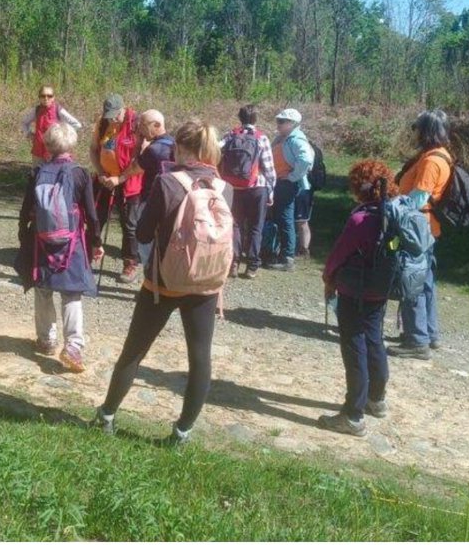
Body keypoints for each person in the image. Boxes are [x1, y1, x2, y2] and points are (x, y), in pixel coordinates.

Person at [96, 120, 232, 448]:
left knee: (134, 351)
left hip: (163, 283)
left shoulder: (167, 183)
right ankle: (182, 433)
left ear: (181, 149)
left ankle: (107, 416)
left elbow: (142, 233)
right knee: (200, 356)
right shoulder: (224, 188)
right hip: (206, 284)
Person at [317, 160, 396, 436]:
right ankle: (377, 399)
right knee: (374, 338)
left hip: (355, 291)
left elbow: (339, 255)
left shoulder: (360, 219)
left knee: (354, 345)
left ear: (358, 186)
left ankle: (353, 415)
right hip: (381, 289)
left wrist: (328, 278)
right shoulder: (392, 214)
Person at [15, 121, 100, 373]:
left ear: (48, 145)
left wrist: (24, 238)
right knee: (71, 293)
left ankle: (46, 339)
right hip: (71, 243)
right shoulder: (80, 173)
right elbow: (92, 215)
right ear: (72, 144)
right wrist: (96, 242)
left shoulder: (37, 173)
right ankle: (73, 345)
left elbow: (24, 211)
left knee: (43, 290)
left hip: (42, 242)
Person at [391, 110, 452, 359]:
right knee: (424, 282)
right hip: (425, 228)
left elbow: (417, 199)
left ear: (426, 130)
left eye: (416, 127)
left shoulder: (431, 161)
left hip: (417, 228)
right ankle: (428, 333)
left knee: (412, 281)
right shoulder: (439, 155)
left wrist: (391, 209)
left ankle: (417, 340)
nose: (413, 131)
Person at [91, 95, 143, 282]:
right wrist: (101, 173)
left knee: (129, 225)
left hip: (129, 182)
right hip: (105, 180)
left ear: (123, 109)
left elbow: (141, 159)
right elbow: (93, 150)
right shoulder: (103, 123)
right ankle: (90, 253)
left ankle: (130, 263)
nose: (112, 119)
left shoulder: (137, 123)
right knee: (96, 218)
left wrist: (120, 179)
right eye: (109, 115)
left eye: (115, 115)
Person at [222, 105, 277, 279]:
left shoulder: (230, 135)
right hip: (256, 187)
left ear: (240, 117)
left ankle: (233, 263)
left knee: (235, 225)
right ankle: (252, 266)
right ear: (256, 119)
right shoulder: (261, 138)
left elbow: (216, 149)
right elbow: (269, 169)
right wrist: (271, 192)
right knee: (255, 227)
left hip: (234, 187)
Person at [263, 109, 313, 270]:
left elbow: (306, 160)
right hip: (279, 183)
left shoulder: (296, 140)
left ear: (293, 124)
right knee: (280, 218)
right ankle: (280, 253)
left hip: (287, 184)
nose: (279, 124)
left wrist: (292, 176)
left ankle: (287, 258)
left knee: (285, 219)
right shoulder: (282, 138)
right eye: (278, 120)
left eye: (282, 121)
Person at [115, 110, 176, 211]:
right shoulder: (173, 143)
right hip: (170, 199)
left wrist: (138, 145)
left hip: (151, 201)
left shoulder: (154, 150)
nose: (140, 130)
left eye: (143, 125)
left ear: (157, 125)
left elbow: (134, 168)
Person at [22, 85, 82, 167]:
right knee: (37, 175)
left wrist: (64, 136)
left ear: (53, 97)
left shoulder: (58, 110)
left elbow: (77, 124)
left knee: (54, 176)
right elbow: (24, 123)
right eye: (43, 96)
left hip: (54, 152)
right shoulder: (36, 110)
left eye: (49, 96)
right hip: (38, 151)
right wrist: (29, 134)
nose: (46, 98)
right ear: (39, 97)